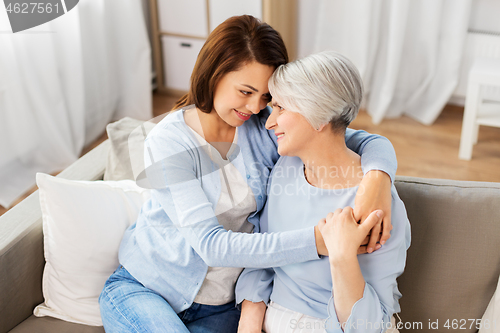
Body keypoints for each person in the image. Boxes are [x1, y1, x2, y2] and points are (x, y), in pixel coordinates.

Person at [98, 16, 398, 333]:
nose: (256, 107)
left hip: (222, 307)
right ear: (214, 74)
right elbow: (211, 245)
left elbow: (351, 136)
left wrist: (378, 177)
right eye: (245, 91)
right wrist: (320, 241)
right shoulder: (168, 143)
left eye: (266, 96)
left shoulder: (265, 128)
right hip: (146, 289)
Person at [235, 51, 411, 333]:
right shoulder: (286, 167)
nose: (269, 122)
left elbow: (368, 326)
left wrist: (342, 257)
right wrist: (250, 316)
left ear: (318, 116)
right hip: (274, 320)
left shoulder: (376, 205)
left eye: (280, 108)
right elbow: (264, 250)